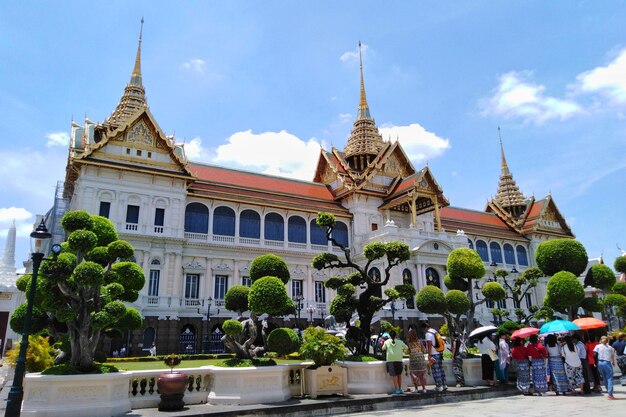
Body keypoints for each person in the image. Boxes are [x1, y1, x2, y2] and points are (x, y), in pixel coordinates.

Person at [421, 322, 447, 391]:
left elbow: (429, 344)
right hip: (439, 353)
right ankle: (444, 385)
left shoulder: (428, 334)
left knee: (435, 371)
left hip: (433, 354)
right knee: (441, 370)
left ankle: (439, 386)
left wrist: (429, 355)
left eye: (423, 329)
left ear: (425, 328)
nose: (423, 331)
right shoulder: (435, 331)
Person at [382, 330, 408, 395]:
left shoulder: (387, 342)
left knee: (394, 375)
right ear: (396, 335)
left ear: (390, 336)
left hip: (390, 360)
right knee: (399, 375)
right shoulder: (400, 342)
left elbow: (383, 348)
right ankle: (400, 388)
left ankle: (396, 390)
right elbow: (406, 347)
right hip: (399, 359)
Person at [594, 335, 617, 399]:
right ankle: (610, 393)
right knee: (610, 378)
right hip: (607, 362)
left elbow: (595, 355)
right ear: (607, 341)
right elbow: (612, 356)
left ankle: (608, 390)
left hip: (600, 362)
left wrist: (595, 363)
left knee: (604, 377)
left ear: (601, 340)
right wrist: (613, 362)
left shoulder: (597, 346)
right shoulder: (610, 347)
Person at [407, 325, 428, 393]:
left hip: (413, 359)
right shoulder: (419, 342)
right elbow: (424, 350)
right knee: (421, 374)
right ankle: (424, 388)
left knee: (413, 372)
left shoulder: (409, 343)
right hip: (421, 359)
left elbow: (409, 351)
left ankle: (416, 388)